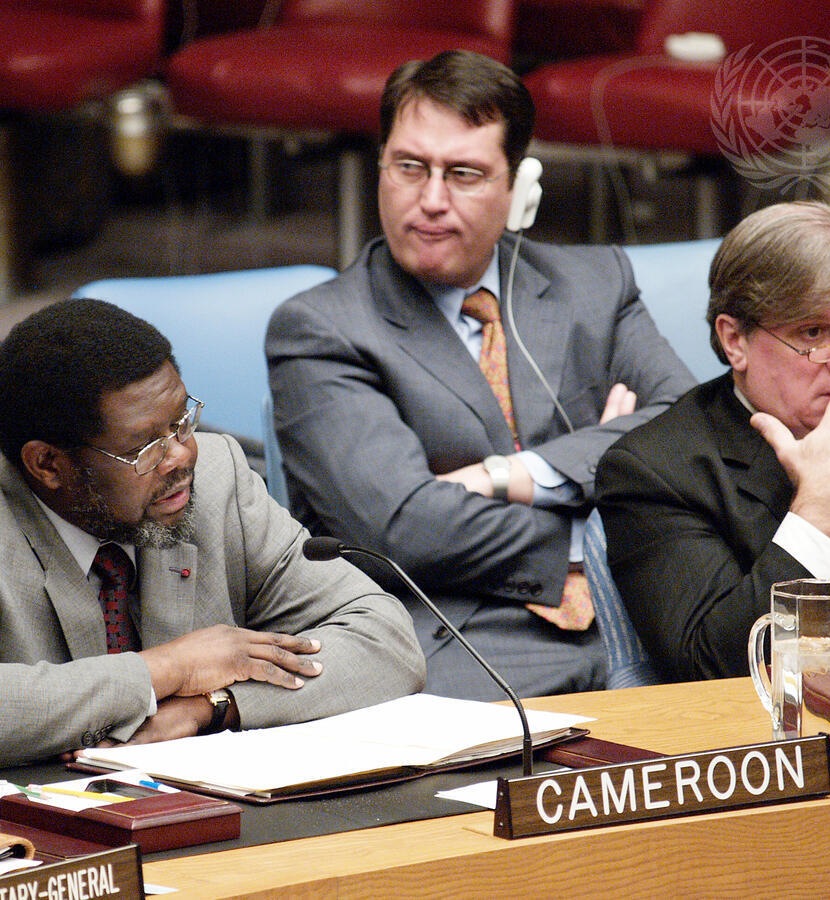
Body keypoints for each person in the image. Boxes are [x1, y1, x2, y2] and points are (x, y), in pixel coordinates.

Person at [265, 50, 694, 700]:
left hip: (645, 614)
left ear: (518, 187)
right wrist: (603, 518)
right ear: (381, 167)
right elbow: (402, 528)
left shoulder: (595, 283)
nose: (431, 201)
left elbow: (687, 427)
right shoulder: (322, 328)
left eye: (463, 174)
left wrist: (507, 476)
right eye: (410, 167)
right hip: (466, 638)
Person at [0, 298, 424, 780]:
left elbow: (386, 642)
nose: (181, 456)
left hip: (179, 822)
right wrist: (168, 669)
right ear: (47, 464)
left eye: (182, 422)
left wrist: (211, 707)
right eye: (144, 447)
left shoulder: (217, 481)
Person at [597, 200, 830, 681]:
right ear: (735, 341)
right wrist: (823, 512)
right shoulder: (658, 470)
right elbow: (707, 669)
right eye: (814, 333)